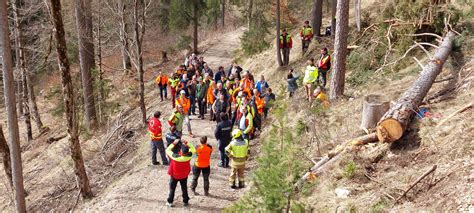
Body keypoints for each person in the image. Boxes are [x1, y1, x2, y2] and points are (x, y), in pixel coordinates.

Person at [166, 139, 196, 207]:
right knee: (184, 188)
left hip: (174, 175)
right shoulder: (189, 156)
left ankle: (170, 202)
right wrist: (187, 142)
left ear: (181, 152)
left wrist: (173, 143)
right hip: (184, 175)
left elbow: (167, 150)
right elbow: (193, 149)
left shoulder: (175, 157)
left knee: (172, 188)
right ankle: (185, 201)